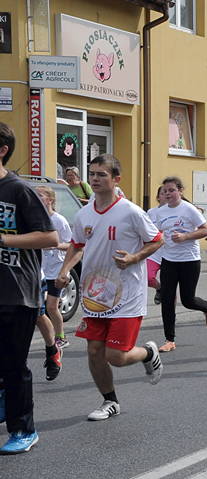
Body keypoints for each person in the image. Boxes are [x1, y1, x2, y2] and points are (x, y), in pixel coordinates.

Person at [56, 153, 164, 422]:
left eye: (102, 174)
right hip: (95, 294)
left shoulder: (131, 211)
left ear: (116, 179)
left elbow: (157, 240)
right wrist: (64, 270)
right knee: (94, 351)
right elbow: (77, 244)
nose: (95, 179)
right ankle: (110, 401)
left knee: (115, 355)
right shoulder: (84, 213)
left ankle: (148, 352)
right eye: (92, 174)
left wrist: (134, 258)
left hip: (127, 293)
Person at [0, 122, 59, 453]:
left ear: (2, 150)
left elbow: (50, 237)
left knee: (13, 363)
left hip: (18, 292)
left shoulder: (18, 190)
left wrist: (4, 239)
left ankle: (24, 430)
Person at [147, 177, 207, 352]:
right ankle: (169, 340)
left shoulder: (188, 209)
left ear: (180, 191)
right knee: (167, 300)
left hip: (189, 260)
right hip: (169, 260)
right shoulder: (161, 212)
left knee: (188, 300)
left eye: (172, 190)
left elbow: (206, 229)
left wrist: (185, 237)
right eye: (166, 191)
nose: (168, 194)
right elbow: (157, 233)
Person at [35, 185, 72, 349]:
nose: (37, 198)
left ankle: (61, 337)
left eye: (40, 196)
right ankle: (49, 338)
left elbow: (72, 245)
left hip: (56, 268)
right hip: (40, 269)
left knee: (51, 306)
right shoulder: (34, 218)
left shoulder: (59, 220)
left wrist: (54, 245)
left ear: (50, 199)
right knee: (38, 307)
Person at [146, 185, 166, 305]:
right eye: (163, 193)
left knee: (170, 286)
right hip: (154, 252)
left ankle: (170, 317)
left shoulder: (176, 211)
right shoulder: (151, 212)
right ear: (158, 197)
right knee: (148, 278)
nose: (166, 195)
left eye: (169, 192)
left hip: (169, 254)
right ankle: (159, 288)